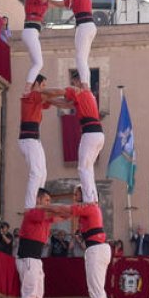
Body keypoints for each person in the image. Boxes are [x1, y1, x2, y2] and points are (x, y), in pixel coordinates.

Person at [16, 189, 68, 298]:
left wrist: (75, 210)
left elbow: (62, 216)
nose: (48, 204)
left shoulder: (45, 216)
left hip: (36, 258)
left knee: (38, 295)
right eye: (46, 200)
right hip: (27, 257)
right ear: (38, 200)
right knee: (29, 292)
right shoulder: (33, 213)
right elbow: (54, 211)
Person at [53, 70, 104, 203]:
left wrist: (43, 94)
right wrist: (49, 101)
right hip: (98, 134)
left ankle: (88, 200)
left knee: (82, 168)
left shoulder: (78, 91)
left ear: (78, 81)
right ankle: (93, 198)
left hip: (90, 133)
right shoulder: (88, 95)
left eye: (73, 82)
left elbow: (60, 92)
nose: (72, 84)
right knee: (88, 168)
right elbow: (65, 104)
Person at [19, 75, 63, 208]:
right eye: (43, 85)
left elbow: (56, 101)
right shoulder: (31, 95)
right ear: (36, 84)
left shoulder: (37, 99)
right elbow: (53, 93)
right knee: (36, 173)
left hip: (34, 139)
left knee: (43, 172)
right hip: (28, 139)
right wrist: (68, 91)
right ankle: (30, 206)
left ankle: (39, 201)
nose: (44, 88)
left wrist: (74, 102)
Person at [71, 186, 111, 298]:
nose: (74, 198)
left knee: (96, 289)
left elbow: (66, 211)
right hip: (96, 248)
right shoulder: (86, 213)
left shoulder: (90, 208)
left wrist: (45, 209)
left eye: (76, 194)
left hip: (96, 249)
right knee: (97, 288)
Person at [47, 0, 97, 84]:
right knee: (83, 59)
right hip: (88, 25)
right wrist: (49, 0)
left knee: (80, 58)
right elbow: (61, 4)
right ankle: (86, 84)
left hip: (84, 25)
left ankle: (85, 85)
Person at [21, 0, 67, 94]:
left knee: (36, 64)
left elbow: (60, 4)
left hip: (32, 32)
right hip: (30, 31)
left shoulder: (43, 1)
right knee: (38, 63)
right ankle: (27, 88)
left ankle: (32, 87)